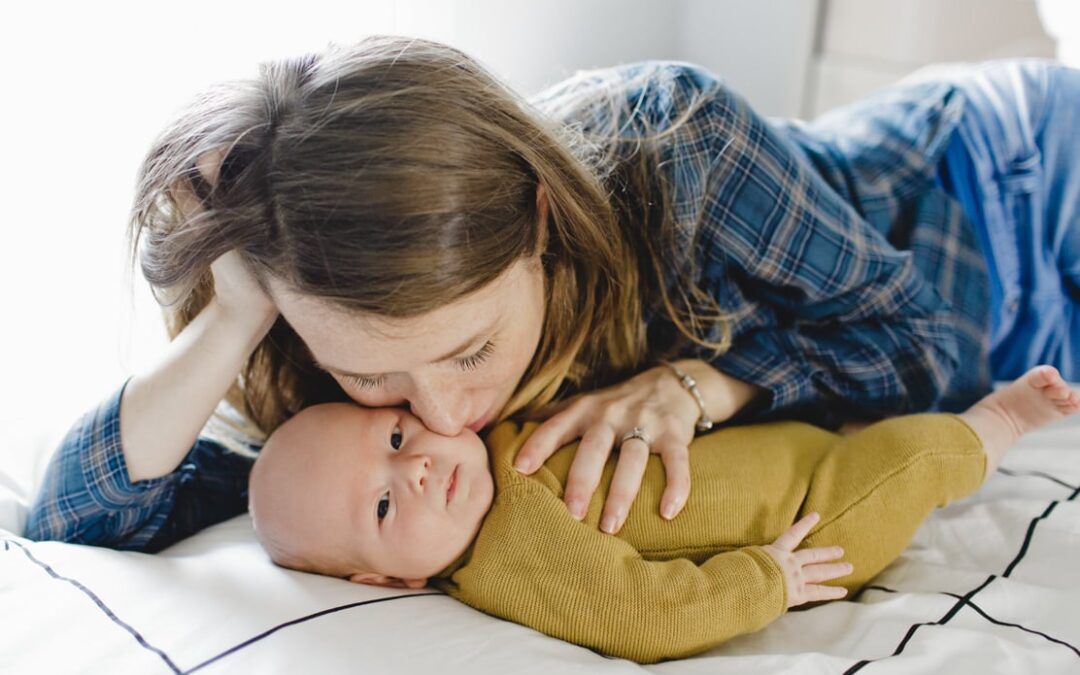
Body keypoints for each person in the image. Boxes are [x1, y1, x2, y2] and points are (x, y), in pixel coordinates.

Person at [24, 35, 1080, 551]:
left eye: (472, 352)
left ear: (539, 221)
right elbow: (80, 519)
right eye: (373, 374)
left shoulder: (677, 145)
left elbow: (919, 347)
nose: (441, 417)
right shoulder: (315, 354)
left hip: (1001, 179)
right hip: (1030, 353)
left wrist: (706, 386)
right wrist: (243, 310)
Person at [247, 366, 1080, 663]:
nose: (418, 465)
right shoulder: (508, 560)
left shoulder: (496, 434)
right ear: (389, 578)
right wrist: (768, 579)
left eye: (395, 435)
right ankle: (996, 424)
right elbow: (640, 613)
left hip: (770, 448)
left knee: (852, 431)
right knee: (905, 464)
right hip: (801, 525)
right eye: (386, 503)